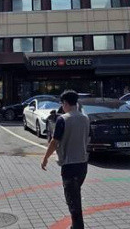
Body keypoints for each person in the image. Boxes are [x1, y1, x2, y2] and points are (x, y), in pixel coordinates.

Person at [41, 90, 90, 229]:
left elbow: (54, 141)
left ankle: (78, 226)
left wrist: (45, 158)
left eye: (62, 104)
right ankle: (75, 225)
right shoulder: (85, 118)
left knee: (73, 202)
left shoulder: (63, 119)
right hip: (83, 165)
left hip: (69, 166)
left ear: (66, 103)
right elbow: (89, 138)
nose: (62, 107)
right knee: (75, 197)